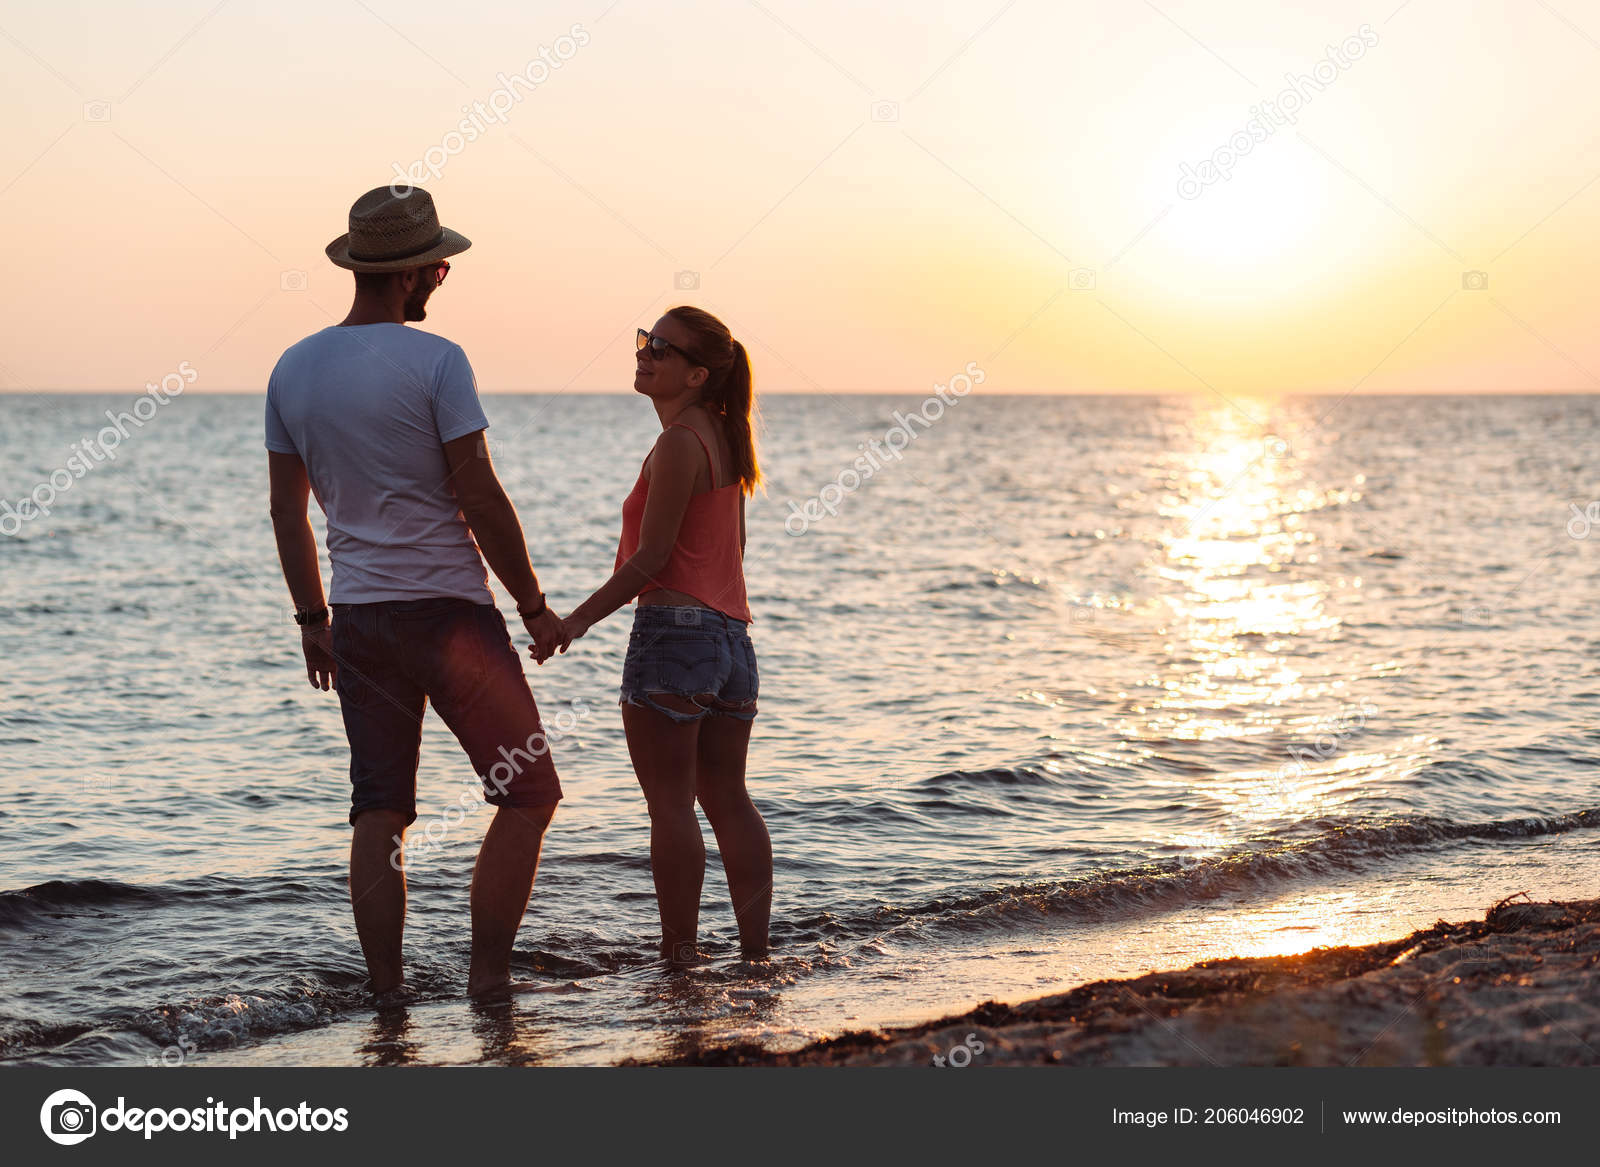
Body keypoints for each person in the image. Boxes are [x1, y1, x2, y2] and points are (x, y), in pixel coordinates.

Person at [265, 185, 567, 1001]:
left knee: (380, 811)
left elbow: (286, 515)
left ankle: (389, 997)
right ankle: (487, 980)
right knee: (528, 790)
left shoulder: (293, 367)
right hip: (450, 616)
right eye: (438, 266)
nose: (442, 278)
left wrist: (311, 618)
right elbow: (480, 494)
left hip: (360, 619)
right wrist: (534, 604)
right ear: (406, 276)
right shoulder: (438, 361)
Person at [557, 306, 771, 967]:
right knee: (727, 798)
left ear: (698, 373)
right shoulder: (724, 440)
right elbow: (734, 547)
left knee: (671, 806)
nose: (647, 352)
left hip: (675, 637)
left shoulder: (680, 441)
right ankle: (755, 956)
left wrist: (577, 619)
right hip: (732, 641)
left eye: (664, 348)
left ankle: (679, 959)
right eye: (646, 339)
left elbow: (651, 558)